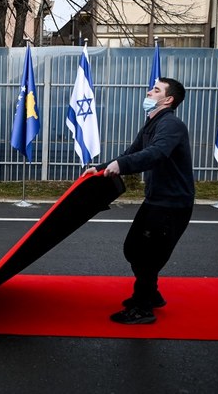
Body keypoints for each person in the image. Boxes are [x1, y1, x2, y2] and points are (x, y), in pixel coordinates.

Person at [83, 77, 195, 325]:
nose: (148, 92)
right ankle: (151, 294)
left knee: (148, 256)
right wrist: (100, 169)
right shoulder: (151, 124)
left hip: (172, 205)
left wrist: (120, 165)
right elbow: (132, 153)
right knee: (133, 248)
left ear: (168, 100)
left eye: (156, 90)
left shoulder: (171, 125)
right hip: (157, 200)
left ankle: (143, 307)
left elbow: (155, 154)